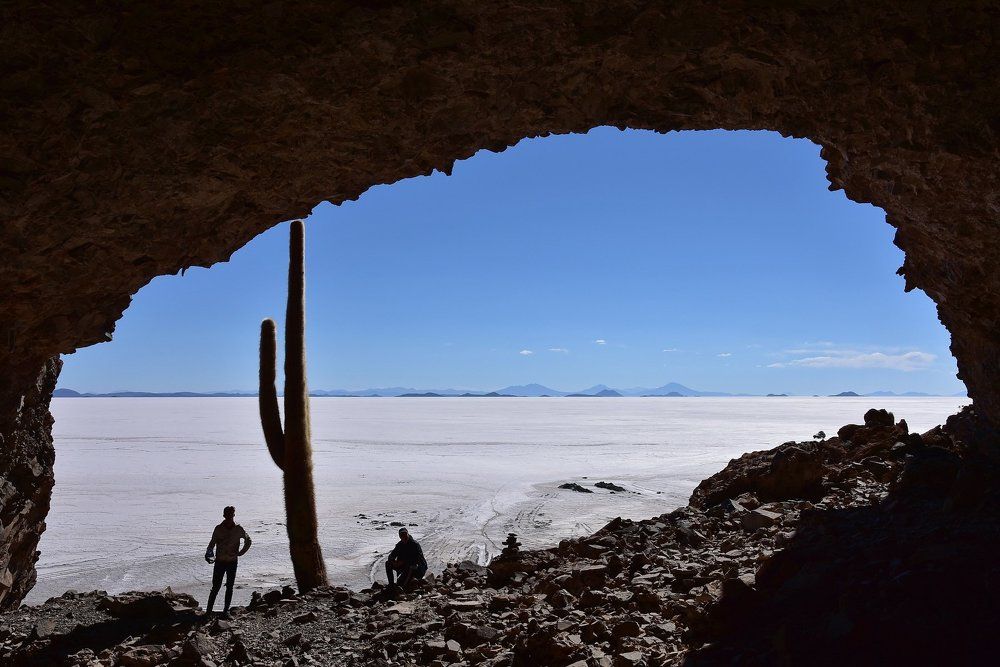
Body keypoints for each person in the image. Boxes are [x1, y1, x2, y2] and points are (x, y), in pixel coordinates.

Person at [204, 505, 252, 616]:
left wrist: (241, 552)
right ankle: (208, 612)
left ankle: (225, 612)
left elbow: (248, 540)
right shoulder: (218, 529)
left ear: (233, 515)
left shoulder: (238, 529)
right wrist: (208, 555)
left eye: (231, 515)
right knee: (215, 588)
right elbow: (211, 544)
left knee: (229, 587)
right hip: (219, 562)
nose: (230, 517)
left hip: (232, 562)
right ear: (224, 515)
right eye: (228, 515)